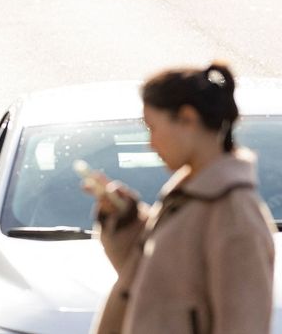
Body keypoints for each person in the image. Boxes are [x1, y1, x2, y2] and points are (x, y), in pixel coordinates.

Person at [87, 62, 276, 334]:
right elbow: (151, 278)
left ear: (187, 118)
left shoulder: (234, 214)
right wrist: (124, 215)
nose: (150, 143)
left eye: (152, 128)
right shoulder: (192, 193)